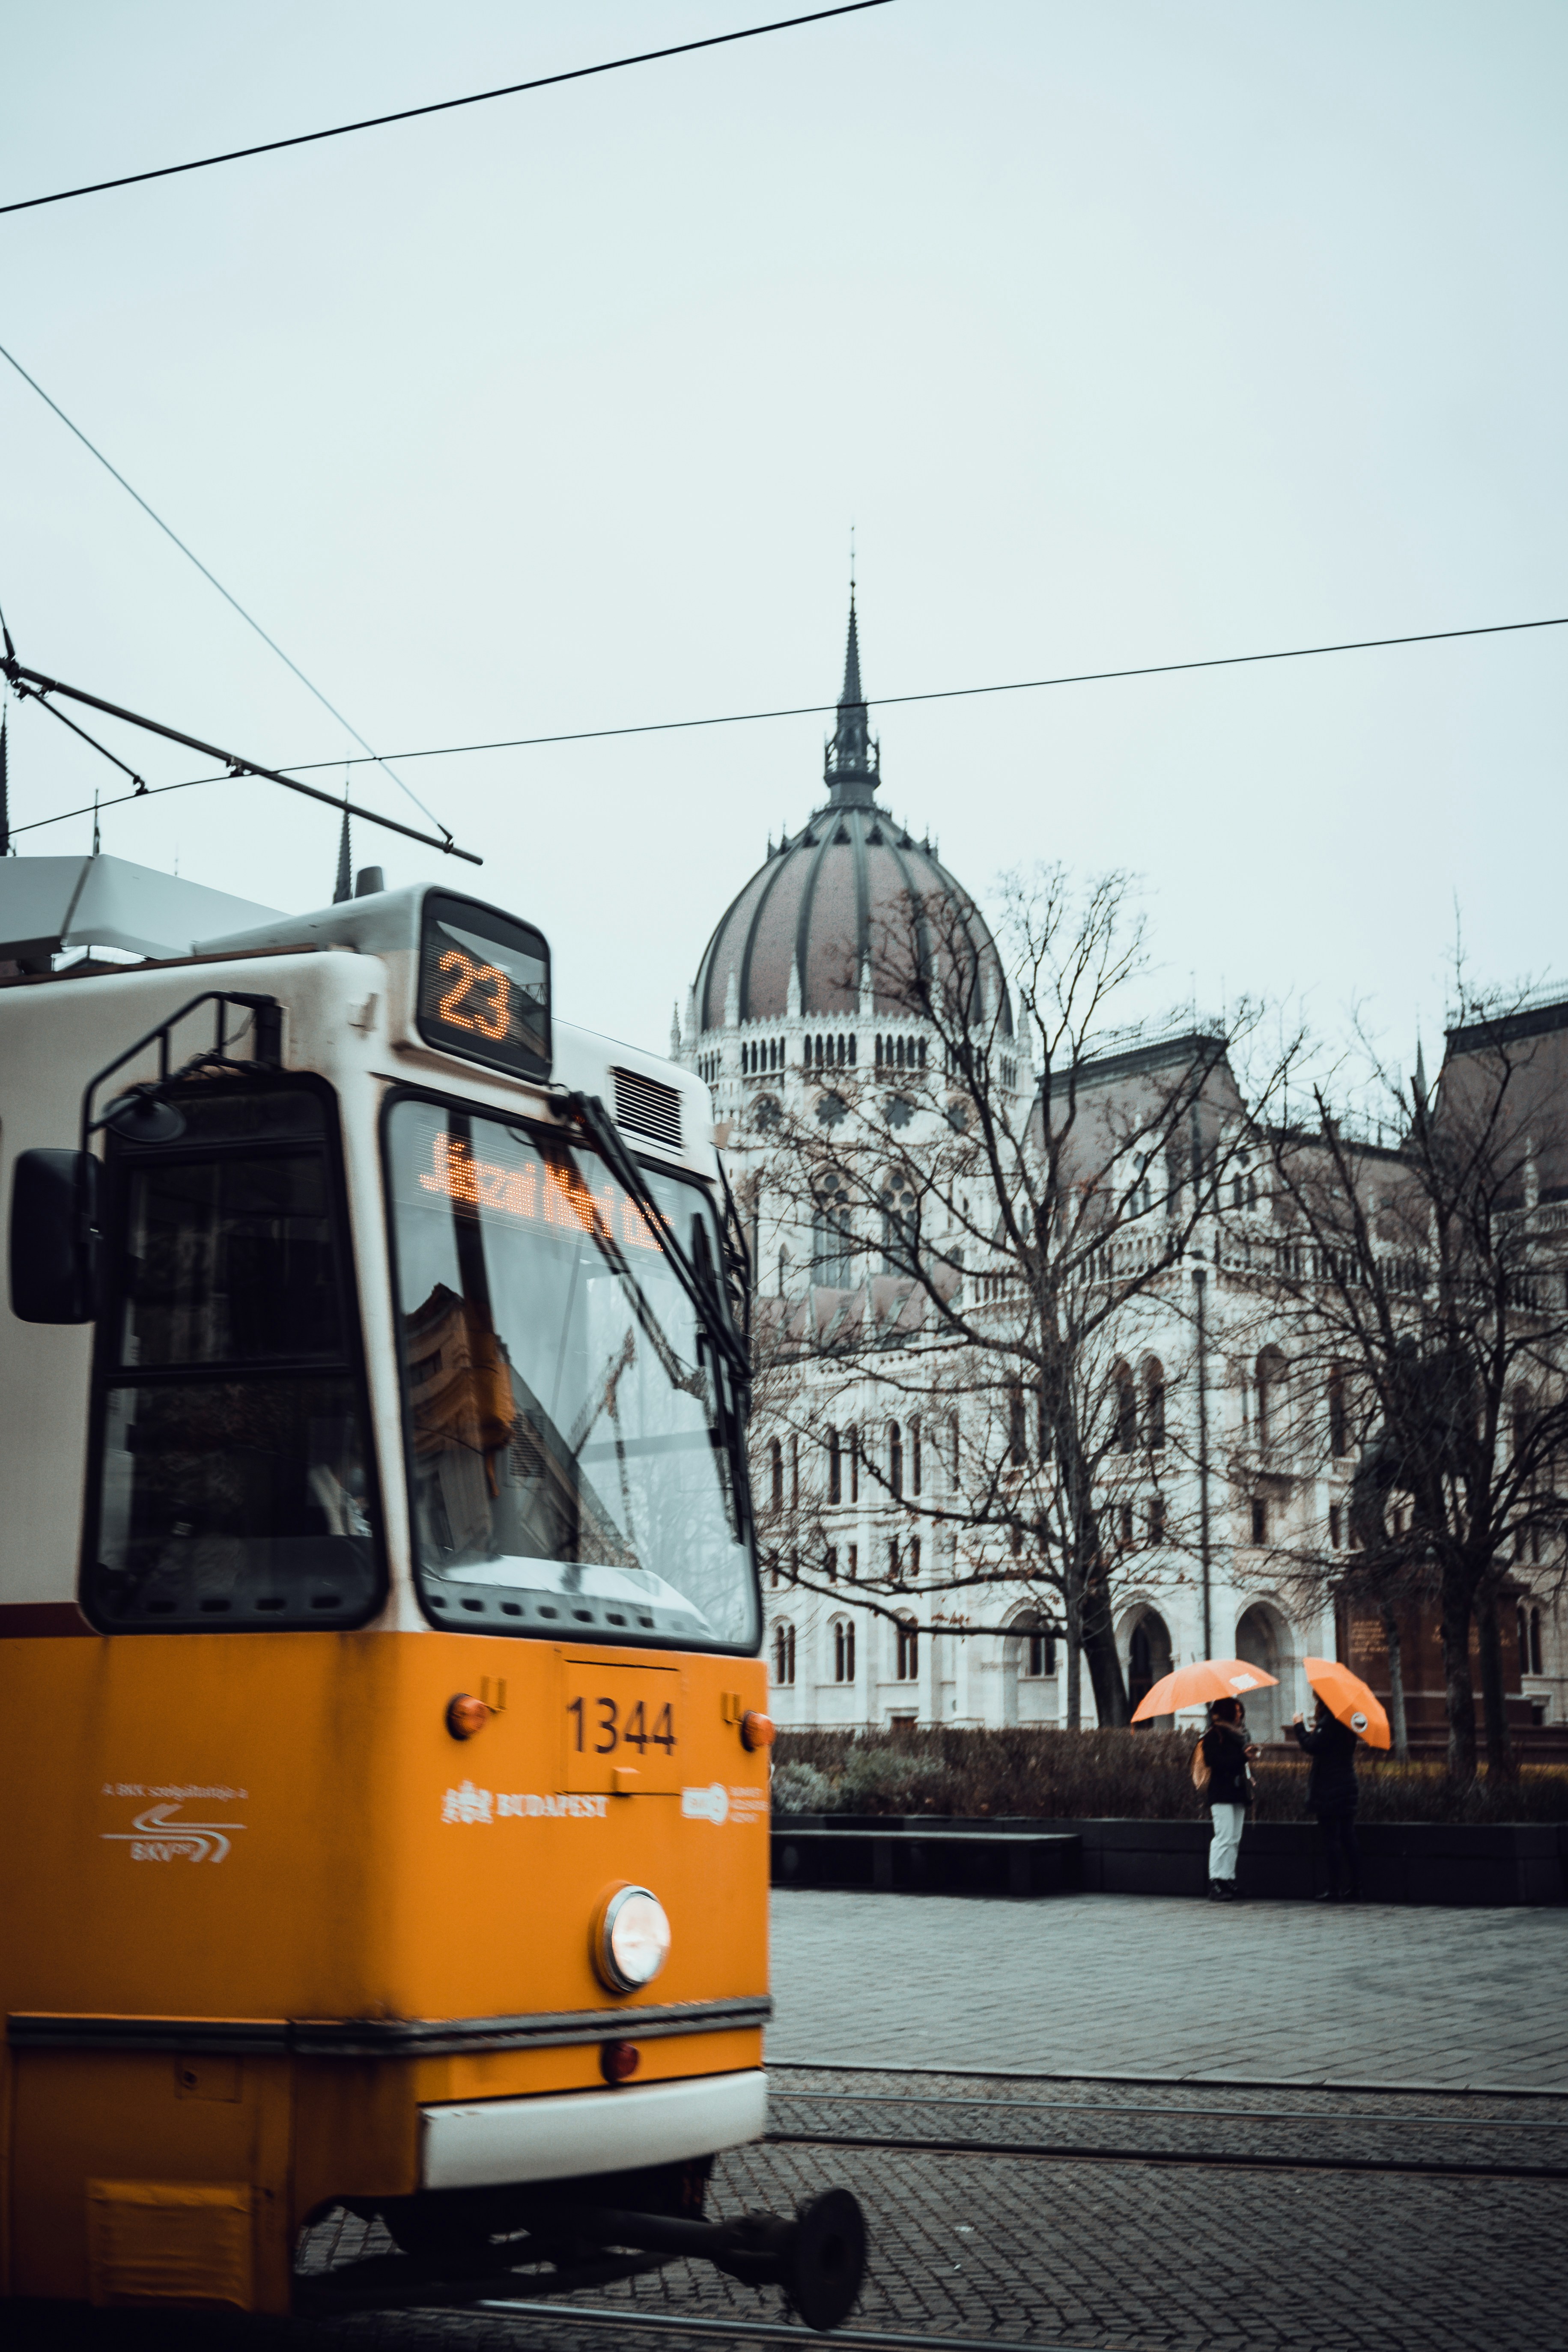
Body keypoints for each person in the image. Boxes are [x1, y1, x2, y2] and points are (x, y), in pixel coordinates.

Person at [1291, 1698, 1362, 1901]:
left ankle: (1334, 1889)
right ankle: (1357, 1887)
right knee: (1349, 1837)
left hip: (1330, 1787)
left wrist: (1299, 1725)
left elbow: (1311, 1746)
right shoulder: (1346, 1721)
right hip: (1347, 1785)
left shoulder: (1330, 1721)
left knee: (1332, 1840)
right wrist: (1318, 1731)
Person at [1199, 1697, 1257, 1902]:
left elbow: (1238, 1764)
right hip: (1222, 1792)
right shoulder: (1214, 1735)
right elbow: (1215, 1762)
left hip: (1238, 1791)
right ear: (1226, 1712)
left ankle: (1228, 1879)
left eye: (1241, 1710)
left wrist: (1248, 1767)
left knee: (1234, 1838)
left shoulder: (1241, 1735)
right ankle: (1216, 1881)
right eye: (1236, 1710)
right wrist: (1243, 1758)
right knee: (1223, 1837)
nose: (1240, 1714)